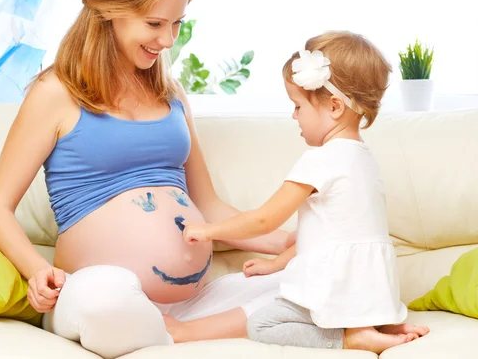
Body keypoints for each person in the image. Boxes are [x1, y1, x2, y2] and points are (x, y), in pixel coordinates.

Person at [0, 0, 290, 358]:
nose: (168, 40)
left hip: (193, 306)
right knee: (105, 296)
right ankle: (186, 333)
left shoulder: (171, 95)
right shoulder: (55, 93)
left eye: (177, 23)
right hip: (98, 299)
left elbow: (209, 206)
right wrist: (37, 271)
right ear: (109, 10)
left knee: (319, 274)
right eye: (155, 24)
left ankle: (182, 333)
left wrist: (295, 242)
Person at [182, 31, 431, 354]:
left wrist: (208, 230)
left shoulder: (321, 159)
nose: (294, 116)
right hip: (372, 293)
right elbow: (332, 234)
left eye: (298, 106)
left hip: (335, 290)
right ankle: (377, 323)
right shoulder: (363, 158)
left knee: (261, 324)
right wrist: (275, 265)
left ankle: (348, 337)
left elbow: (264, 220)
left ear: (335, 106)